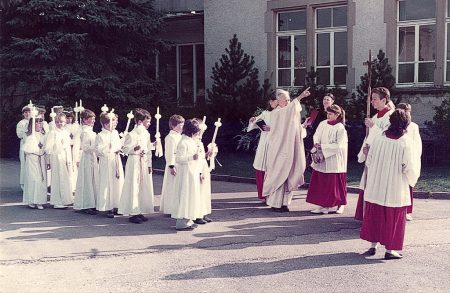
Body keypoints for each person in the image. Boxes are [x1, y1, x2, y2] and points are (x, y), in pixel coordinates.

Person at [360, 109, 418, 260]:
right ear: (406, 123)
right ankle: (390, 250)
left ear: (390, 121)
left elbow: (370, 160)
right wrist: (410, 178)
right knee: (393, 217)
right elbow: (410, 167)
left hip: (377, 183)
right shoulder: (406, 142)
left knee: (376, 214)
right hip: (395, 185)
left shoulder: (379, 138)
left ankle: (373, 246)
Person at [263, 88, 310, 212]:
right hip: (279, 150)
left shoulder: (290, 113)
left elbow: (293, 128)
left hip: (289, 148)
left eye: (289, 100)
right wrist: (299, 97)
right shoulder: (276, 113)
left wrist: (302, 127)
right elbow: (287, 114)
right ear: (278, 101)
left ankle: (284, 203)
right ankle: (275, 203)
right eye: (285, 100)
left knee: (289, 173)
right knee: (279, 173)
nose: (288, 102)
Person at [355, 87, 394, 220]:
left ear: (384, 100)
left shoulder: (391, 116)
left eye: (375, 99)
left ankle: (375, 217)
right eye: (371, 99)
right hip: (372, 155)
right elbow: (369, 137)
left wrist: (373, 127)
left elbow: (389, 136)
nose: (372, 102)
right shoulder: (375, 116)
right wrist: (366, 148)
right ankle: (365, 215)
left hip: (383, 158)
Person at [306, 104, 348, 214]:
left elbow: (339, 146)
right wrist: (317, 145)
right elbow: (316, 135)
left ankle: (338, 205)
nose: (328, 115)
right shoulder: (323, 123)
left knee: (333, 184)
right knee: (322, 182)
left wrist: (323, 147)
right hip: (321, 155)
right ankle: (323, 205)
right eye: (327, 113)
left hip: (334, 159)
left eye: (330, 114)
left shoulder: (340, 128)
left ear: (337, 115)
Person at [119, 108, 155, 224]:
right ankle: (133, 213)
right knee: (134, 185)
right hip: (134, 161)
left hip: (143, 161)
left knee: (142, 186)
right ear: (140, 122)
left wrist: (149, 164)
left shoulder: (146, 133)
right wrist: (133, 149)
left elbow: (148, 150)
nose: (149, 124)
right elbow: (125, 149)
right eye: (147, 121)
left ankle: (139, 210)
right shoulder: (132, 134)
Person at [172, 119, 203, 231]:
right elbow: (178, 158)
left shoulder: (191, 140)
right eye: (197, 131)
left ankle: (188, 219)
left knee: (191, 195)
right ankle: (181, 222)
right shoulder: (183, 142)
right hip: (185, 173)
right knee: (185, 195)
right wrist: (191, 158)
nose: (198, 133)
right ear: (192, 131)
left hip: (192, 172)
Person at [247, 94, 278, 203]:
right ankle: (263, 195)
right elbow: (256, 122)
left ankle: (272, 196)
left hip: (275, 143)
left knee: (272, 169)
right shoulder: (265, 113)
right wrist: (253, 120)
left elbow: (284, 128)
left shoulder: (281, 113)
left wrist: (272, 128)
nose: (277, 103)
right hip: (264, 142)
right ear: (270, 102)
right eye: (275, 101)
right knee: (261, 168)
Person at [397, 103, 422, 221]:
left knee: (408, 185)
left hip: (409, 158)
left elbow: (417, 144)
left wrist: (414, 158)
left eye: (408, 111)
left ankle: (407, 211)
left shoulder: (413, 126)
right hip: (397, 158)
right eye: (403, 111)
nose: (406, 113)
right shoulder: (394, 125)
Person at [96, 112, 124, 218]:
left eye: (116, 121)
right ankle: (109, 207)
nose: (115, 123)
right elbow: (98, 151)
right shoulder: (100, 135)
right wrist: (109, 147)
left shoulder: (115, 133)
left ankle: (117, 205)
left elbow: (119, 145)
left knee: (117, 182)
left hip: (116, 160)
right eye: (113, 121)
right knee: (108, 183)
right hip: (106, 161)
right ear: (106, 123)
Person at [45, 112, 73, 209]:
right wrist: (48, 161)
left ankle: (65, 199)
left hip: (65, 157)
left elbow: (68, 146)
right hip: (56, 157)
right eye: (58, 122)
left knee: (65, 178)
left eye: (62, 122)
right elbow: (48, 148)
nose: (60, 124)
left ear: (65, 122)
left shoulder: (65, 132)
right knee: (57, 178)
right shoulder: (53, 133)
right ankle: (57, 201)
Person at [74, 109, 99, 215]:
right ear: (84, 120)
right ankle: (86, 204)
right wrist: (97, 146)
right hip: (87, 157)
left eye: (94, 119)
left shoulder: (91, 131)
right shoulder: (84, 132)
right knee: (87, 180)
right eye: (90, 119)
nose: (93, 121)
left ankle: (92, 203)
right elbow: (85, 147)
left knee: (93, 179)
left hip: (92, 156)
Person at [160, 114, 185, 215]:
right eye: (181, 125)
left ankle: (177, 207)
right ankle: (170, 208)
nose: (182, 127)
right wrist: (171, 165)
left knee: (177, 187)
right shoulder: (170, 137)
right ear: (174, 125)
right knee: (172, 186)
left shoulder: (180, 136)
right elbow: (169, 152)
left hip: (179, 164)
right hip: (173, 165)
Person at [22, 116, 47, 209]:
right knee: (33, 179)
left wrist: (47, 160)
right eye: (36, 123)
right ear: (32, 125)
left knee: (41, 180)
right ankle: (31, 200)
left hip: (41, 159)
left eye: (40, 123)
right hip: (32, 159)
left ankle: (39, 201)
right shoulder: (28, 135)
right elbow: (27, 149)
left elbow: (45, 148)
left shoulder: (44, 135)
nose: (38, 125)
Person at [194, 118, 215, 224]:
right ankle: (197, 214)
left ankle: (203, 212)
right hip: (198, 168)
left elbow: (202, 156)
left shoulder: (200, 142)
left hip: (203, 166)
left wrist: (209, 153)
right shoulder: (194, 141)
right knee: (199, 191)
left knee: (204, 191)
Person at [64, 110, 82, 193]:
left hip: (74, 147)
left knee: (74, 166)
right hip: (67, 148)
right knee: (68, 165)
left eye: (71, 118)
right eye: (67, 118)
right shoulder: (63, 126)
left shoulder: (76, 126)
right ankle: (68, 185)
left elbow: (78, 137)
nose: (69, 120)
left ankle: (74, 185)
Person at [17, 105, 31, 190]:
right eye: (26, 112)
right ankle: (23, 183)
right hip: (24, 143)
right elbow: (19, 135)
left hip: (32, 144)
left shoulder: (33, 121)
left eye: (29, 112)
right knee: (24, 163)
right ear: (23, 114)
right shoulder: (21, 123)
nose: (27, 114)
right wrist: (26, 130)